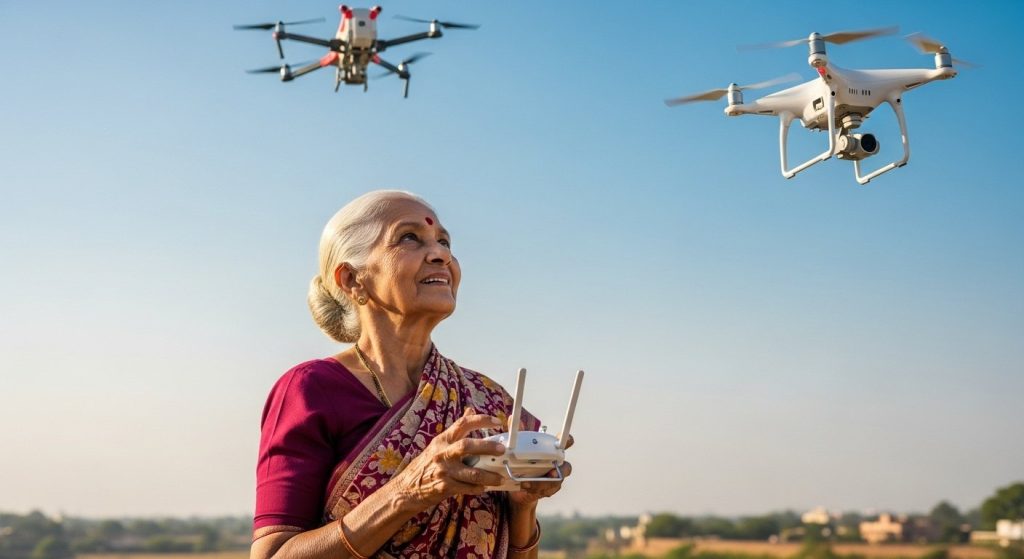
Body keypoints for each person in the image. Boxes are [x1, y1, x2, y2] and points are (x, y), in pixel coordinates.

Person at [251, 190, 572, 559]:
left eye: (444, 242)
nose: (441, 255)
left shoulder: (489, 401)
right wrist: (409, 491)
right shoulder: (312, 390)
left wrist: (522, 507)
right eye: (409, 238)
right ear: (351, 279)